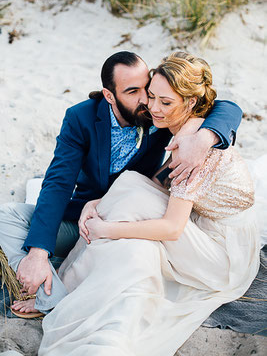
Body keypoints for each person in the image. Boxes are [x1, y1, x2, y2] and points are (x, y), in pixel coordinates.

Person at [38, 52, 262, 356]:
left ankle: (69, 284)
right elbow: (156, 182)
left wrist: (108, 228)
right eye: (151, 96)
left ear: (190, 103)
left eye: (165, 102)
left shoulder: (196, 150)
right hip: (200, 221)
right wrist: (97, 201)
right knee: (129, 186)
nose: (152, 108)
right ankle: (73, 278)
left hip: (222, 252)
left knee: (128, 226)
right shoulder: (181, 125)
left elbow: (171, 228)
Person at [0, 51, 242, 317]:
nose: (146, 101)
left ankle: (54, 296)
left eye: (147, 89)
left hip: (132, 218)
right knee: (7, 217)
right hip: (87, 215)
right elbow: (57, 184)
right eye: (132, 91)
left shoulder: (160, 111)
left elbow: (225, 107)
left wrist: (204, 137)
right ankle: (49, 286)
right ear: (109, 96)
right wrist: (38, 253)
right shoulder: (80, 119)